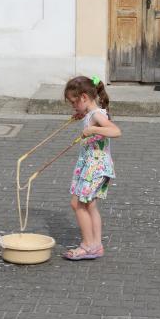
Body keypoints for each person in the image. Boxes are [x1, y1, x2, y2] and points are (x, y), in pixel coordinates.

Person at [63, 76, 121, 260]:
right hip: (92, 165)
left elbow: (116, 131)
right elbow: (94, 118)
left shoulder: (97, 115)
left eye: (74, 102)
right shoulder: (92, 113)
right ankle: (96, 245)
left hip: (95, 167)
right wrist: (83, 116)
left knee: (77, 204)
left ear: (84, 97)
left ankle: (88, 246)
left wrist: (93, 129)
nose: (73, 106)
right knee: (90, 205)